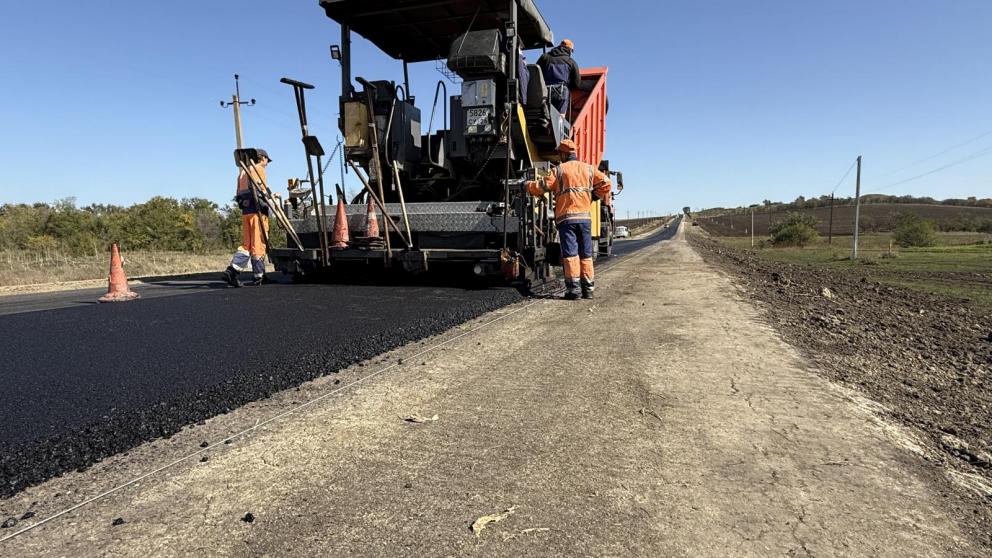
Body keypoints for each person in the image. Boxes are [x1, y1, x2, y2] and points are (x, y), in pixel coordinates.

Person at [526, 139, 612, 300]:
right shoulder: (588, 169)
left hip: (567, 220)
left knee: (571, 255)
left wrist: (527, 185)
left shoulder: (559, 170)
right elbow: (607, 183)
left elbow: (542, 186)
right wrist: (594, 196)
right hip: (585, 220)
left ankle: (574, 291)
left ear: (565, 153)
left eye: (560, 153)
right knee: (586, 255)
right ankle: (588, 290)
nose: (559, 156)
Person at [222, 148, 272, 287]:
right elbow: (259, 191)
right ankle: (259, 276)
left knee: (247, 245)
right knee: (258, 244)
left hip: (246, 212)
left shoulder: (242, 173)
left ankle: (232, 271)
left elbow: (238, 196)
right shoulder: (258, 169)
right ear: (261, 158)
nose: (267, 163)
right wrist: (269, 202)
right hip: (257, 212)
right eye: (267, 160)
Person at [537, 39, 592, 116]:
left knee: (544, 115)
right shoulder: (571, 62)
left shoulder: (545, 57)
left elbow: (537, 72)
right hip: (561, 92)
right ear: (569, 50)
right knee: (560, 119)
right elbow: (577, 83)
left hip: (545, 92)